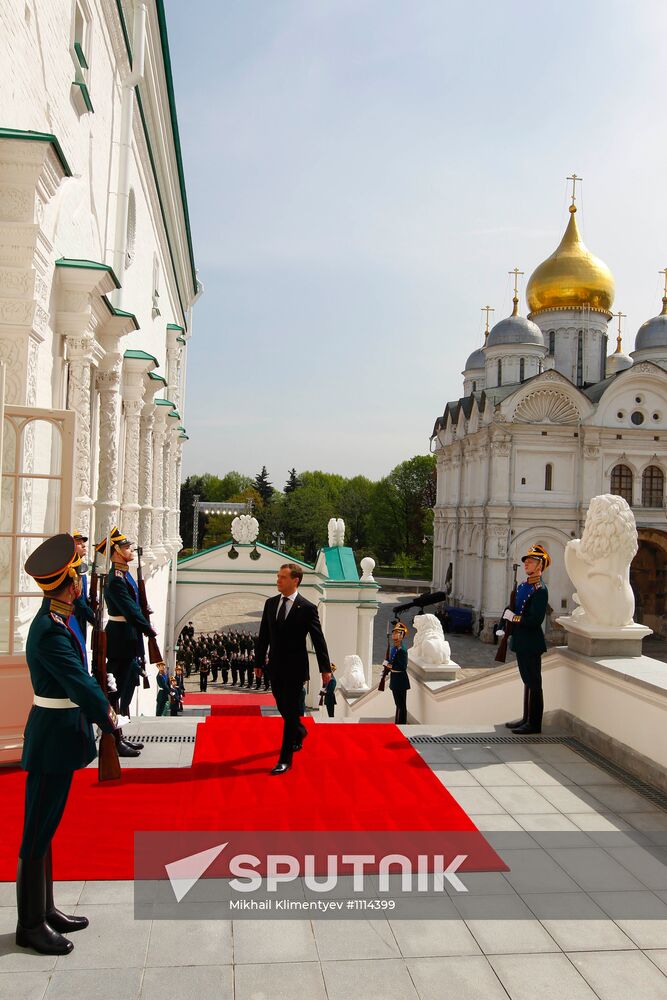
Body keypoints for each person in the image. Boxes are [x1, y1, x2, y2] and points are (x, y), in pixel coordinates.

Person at [17, 533, 123, 956]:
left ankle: (46, 909)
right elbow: (79, 683)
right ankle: (29, 924)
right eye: (76, 578)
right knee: (36, 834)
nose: (80, 583)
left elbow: (83, 612)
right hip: (51, 737)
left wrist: (86, 571)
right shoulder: (49, 632)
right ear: (66, 583)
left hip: (59, 732)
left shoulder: (57, 615)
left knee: (48, 827)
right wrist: (110, 719)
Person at [254, 563, 331, 775]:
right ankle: (300, 729)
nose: (278, 580)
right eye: (278, 576)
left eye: (282, 577)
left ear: (295, 580)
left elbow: (318, 639)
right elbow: (264, 636)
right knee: (283, 708)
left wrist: (325, 669)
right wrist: (258, 662)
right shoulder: (270, 604)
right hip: (275, 667)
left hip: (296, 669)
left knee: (289, 711)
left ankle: (285, 759)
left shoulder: (307, 608)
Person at [96, 527, 154, 757]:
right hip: (121, 637)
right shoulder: (116, 579)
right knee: (116, 691)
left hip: (128, 635)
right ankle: (113, 740)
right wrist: (147, 628)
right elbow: (130, 609)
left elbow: (137, 604)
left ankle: (120, 737)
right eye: (127, 547)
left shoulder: (124, 573)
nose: (131, 550)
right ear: (117, 552)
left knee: (125, 688)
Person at [502, 544, 550, 735]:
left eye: (530, 561)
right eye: (526, 562)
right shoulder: (524, 585)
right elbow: (514, 606)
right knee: (527, 681)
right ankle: (526, 718)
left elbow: (534, 619)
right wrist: (503, 622)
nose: (526, 564)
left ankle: (534, 723)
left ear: (540, 565)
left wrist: (512, 618)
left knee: (534, 683)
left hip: (531, 641)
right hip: (521, 640)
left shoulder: (540, 589)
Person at [388, 622, 410, 724]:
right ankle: (398, 722)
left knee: (401, 704)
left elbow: (402, 666)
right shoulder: (394, 648)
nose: (394, 635)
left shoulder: (402, 650)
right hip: (395, 679)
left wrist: (390, 666)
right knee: (397, 703)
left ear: (402, 635)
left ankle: (401, 723)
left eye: (397, 633)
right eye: (394, 633)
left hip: (400, 680)